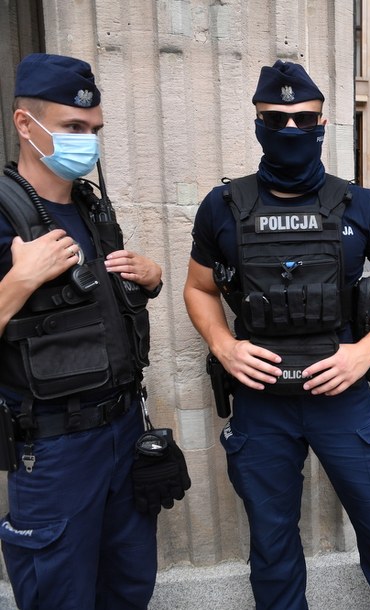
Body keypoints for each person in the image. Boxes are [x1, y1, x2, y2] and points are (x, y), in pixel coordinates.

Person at [183, 60, 370, 609]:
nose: (290, 128)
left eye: (303, 118)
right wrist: (224, 347)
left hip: (341, 396)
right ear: (258, 123)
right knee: (271, 546)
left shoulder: (357, 204)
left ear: (322, 123)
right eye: (276, 119)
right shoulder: (223, 207)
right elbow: (198, 288)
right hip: (261, 400)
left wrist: (364, 352)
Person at [0, 53, 166, 608]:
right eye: (73, 127)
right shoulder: (5, 213)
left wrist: (151, 278)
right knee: (61, 596)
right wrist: (19, 281)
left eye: (94, 129)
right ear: (26, 125)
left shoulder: (93, 208)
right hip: (54, 450)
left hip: (124, 431)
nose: (87, 142)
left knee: (129, 586)